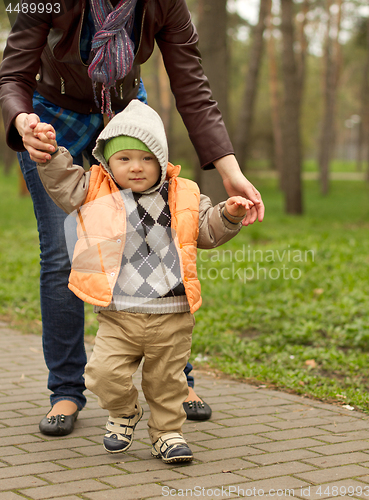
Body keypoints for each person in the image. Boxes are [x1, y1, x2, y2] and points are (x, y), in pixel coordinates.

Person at [0, 0, 265, 435]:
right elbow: (12, 74)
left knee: (157, 239)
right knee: (63, 255)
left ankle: (179, 382)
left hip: (125, 119)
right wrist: (21, 119)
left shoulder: (164, 3)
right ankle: (66, 389)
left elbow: (191, 82)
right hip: (48, 120)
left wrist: (229, 171)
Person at [35, 100, 253, 463]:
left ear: (161, 158)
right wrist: (50, 153)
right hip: (119, 314)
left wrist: (228, 215)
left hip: (172, 313)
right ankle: (123, 412)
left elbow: (206, 230)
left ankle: (167, 433)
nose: (136, 167)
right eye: (124, 159)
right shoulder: (94, 190)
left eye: (147, 158)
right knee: (104, 375)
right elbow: (62, 182)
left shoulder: (183, 192)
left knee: (167, 382)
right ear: (107, 162)